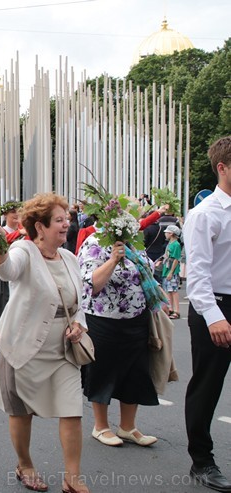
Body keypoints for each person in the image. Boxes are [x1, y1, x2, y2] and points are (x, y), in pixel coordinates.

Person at [0, 193, 89, 493]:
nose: (66, 224)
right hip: (24, 346)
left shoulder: (69, 258)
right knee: (21, 412)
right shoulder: (23, 250)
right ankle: (25, 463)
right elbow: (8, 271)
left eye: (66, 219)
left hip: (63, 350)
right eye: (59, 220)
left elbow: (78, 302)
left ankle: (73, 478)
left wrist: (79, 324)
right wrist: (1, 250)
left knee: (72, 410)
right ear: (40, 227)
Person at [78, 225, 161, 448]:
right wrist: (113, 259)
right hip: (104, 318)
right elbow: (89, 284)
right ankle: (101, 426)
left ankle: (128, 427)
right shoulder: (95, 243)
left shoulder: (135, 243)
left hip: (136, 317)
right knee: (102, 371)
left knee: (135, 372)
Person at [183, 135, 231, 493]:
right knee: (207, 387)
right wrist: (214, 316)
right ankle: (201, 461)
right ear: (222, 168)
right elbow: (197, 274)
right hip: (214, 306)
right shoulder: (204, 215)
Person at [0, 202, 25, 327]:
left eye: (18, 211)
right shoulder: (0, 231)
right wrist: (21, 233)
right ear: (5, 215)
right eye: (12, 212)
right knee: (4, 314)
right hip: (3, 276)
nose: (16, 214)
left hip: (20, 275)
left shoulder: (24, 230)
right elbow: (3, 241)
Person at [160, 224, 183, 319]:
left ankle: (176, 310)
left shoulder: (176, 245)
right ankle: (171, 308)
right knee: (169, 290)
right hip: (167, 269)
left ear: (171, 233)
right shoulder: (170, 244)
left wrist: (171, 272)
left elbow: (176, 259)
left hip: (171, 270)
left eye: (167, 233)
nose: (165, 234)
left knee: (173, 290)